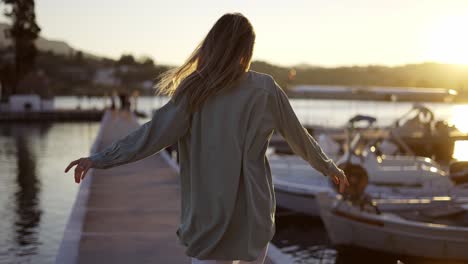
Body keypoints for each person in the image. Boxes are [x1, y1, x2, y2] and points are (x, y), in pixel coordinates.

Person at [64, 12, 348, 264]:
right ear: (246, 50)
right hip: (254, 212)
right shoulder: (265, 89)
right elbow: (299, 137)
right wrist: (329, 167)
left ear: (213, 45)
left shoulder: (195, 91)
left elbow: (151, 135)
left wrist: (99, 159)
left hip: (208, 216)